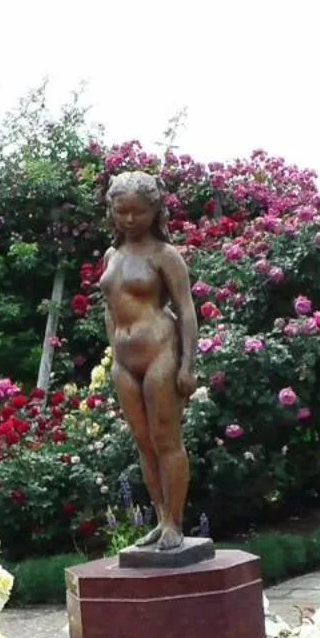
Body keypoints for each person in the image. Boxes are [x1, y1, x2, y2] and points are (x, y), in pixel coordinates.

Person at [100, 170, 200, 551]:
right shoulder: (112, 255)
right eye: (121, 211)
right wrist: (114, 350)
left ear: (154, 211)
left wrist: (188, 363)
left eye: (137, 212)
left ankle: (176, 522)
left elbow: (186, 310)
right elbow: (110, 307)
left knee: (166, 440)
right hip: (125, 361)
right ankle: (160, 518)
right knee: (143, 443)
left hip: (161, 352)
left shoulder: (165, 255)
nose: (128, 220)